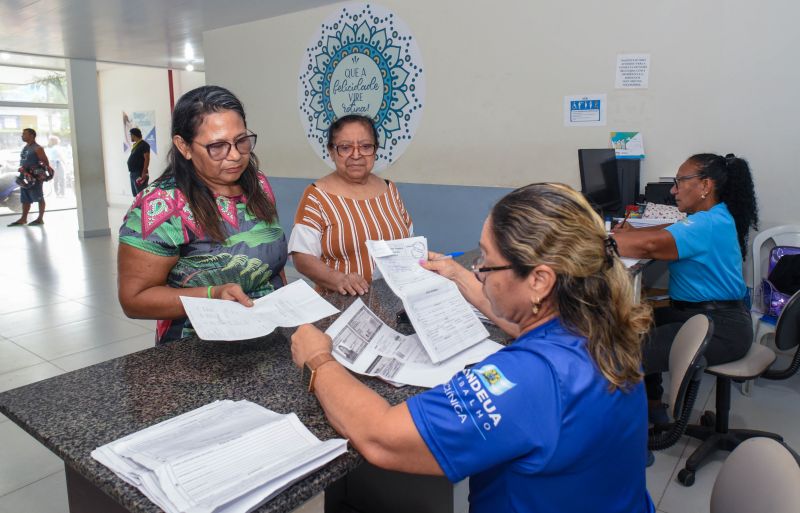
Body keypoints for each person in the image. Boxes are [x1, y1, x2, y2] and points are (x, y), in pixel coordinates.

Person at [291, 183, 655, 512]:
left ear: (540, 280)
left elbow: (380, 436)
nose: (480, 270)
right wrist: (456, 274)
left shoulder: (529, 380)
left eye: (487, 263)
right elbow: (525, 322)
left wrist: (318, 359)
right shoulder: (599, 323)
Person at [117, 85, 288, 344]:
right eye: (217, 146)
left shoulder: (258, 184)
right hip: (197, 347)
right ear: (183, 146)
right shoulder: (160, 205)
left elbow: (271, 263)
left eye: (241, 141)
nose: (235, 156)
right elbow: (134, 300)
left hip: (269, 332)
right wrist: (213, 295)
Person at [612, 153, 758, 423]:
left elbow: (652, 246)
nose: (673, 189)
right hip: (708, 316)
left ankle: (632, 437)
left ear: (705, 186)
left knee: (620, 356)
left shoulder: (707, 223)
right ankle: (652, 409)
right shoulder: (714, 215)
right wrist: (633, 232)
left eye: (680, 181)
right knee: (640, 323)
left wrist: (596, 241)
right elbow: (667, 231)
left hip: (720, 329)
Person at [289, 114, 413, 296]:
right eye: (345, 148)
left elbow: (408, 242)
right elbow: (301, 257)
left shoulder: (389, 189)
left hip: (394, 301)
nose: (356, 155)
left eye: (365, 146)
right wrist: (338, 279)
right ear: (331, 151)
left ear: (375, 150)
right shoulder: (317, 195)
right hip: (341, 305)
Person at [8, 128, 54, 226]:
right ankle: (23, 218)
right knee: (25, 198)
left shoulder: (38, 148)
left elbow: (45, 163)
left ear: (32, 135)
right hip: (25, 176)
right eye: (22, 134)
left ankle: (40, 218)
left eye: (24, 134)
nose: (22, 135)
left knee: (39, 197)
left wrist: (37, 173)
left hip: (35, 178)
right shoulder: (25, 147)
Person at [127, 127, 150, 195]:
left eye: (130, 135)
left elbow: (147, 159)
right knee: (137, 195)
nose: (130, 137)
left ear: (134, 135)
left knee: (142, 195)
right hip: (133, 173)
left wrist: (144, 172)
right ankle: (138, 206)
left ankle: (142, 206)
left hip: (139, 174)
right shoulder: (136, 145)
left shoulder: (144, 145)